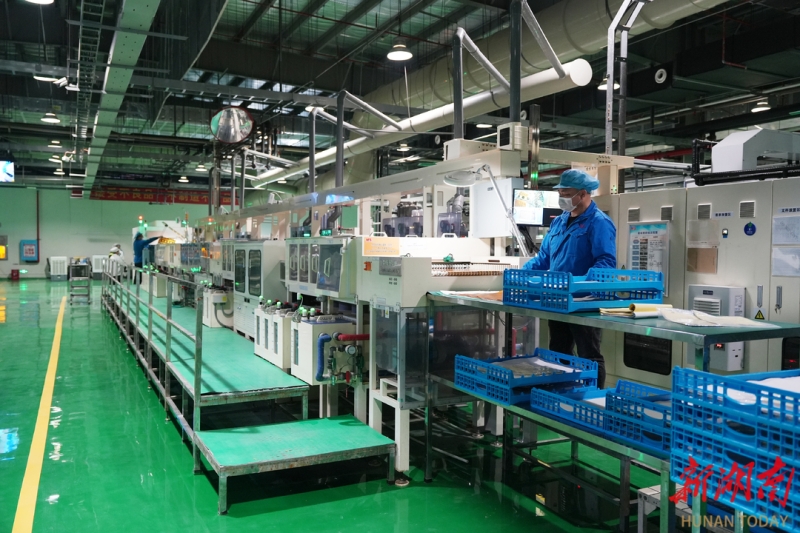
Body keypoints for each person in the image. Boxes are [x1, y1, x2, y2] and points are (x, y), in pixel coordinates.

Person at [523, 169, 616, 388]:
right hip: (558, 298)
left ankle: (593, 399)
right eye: (560, 193)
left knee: (589, 355)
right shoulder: (559, 222)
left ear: (583, 194)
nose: (561, 198)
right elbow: (544, 258)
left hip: (584, 302)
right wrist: (522, 275)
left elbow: (605, 262)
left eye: (566, 194)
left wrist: (580, 285)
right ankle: (563, 394)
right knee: (559, 351)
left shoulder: (599, 222)